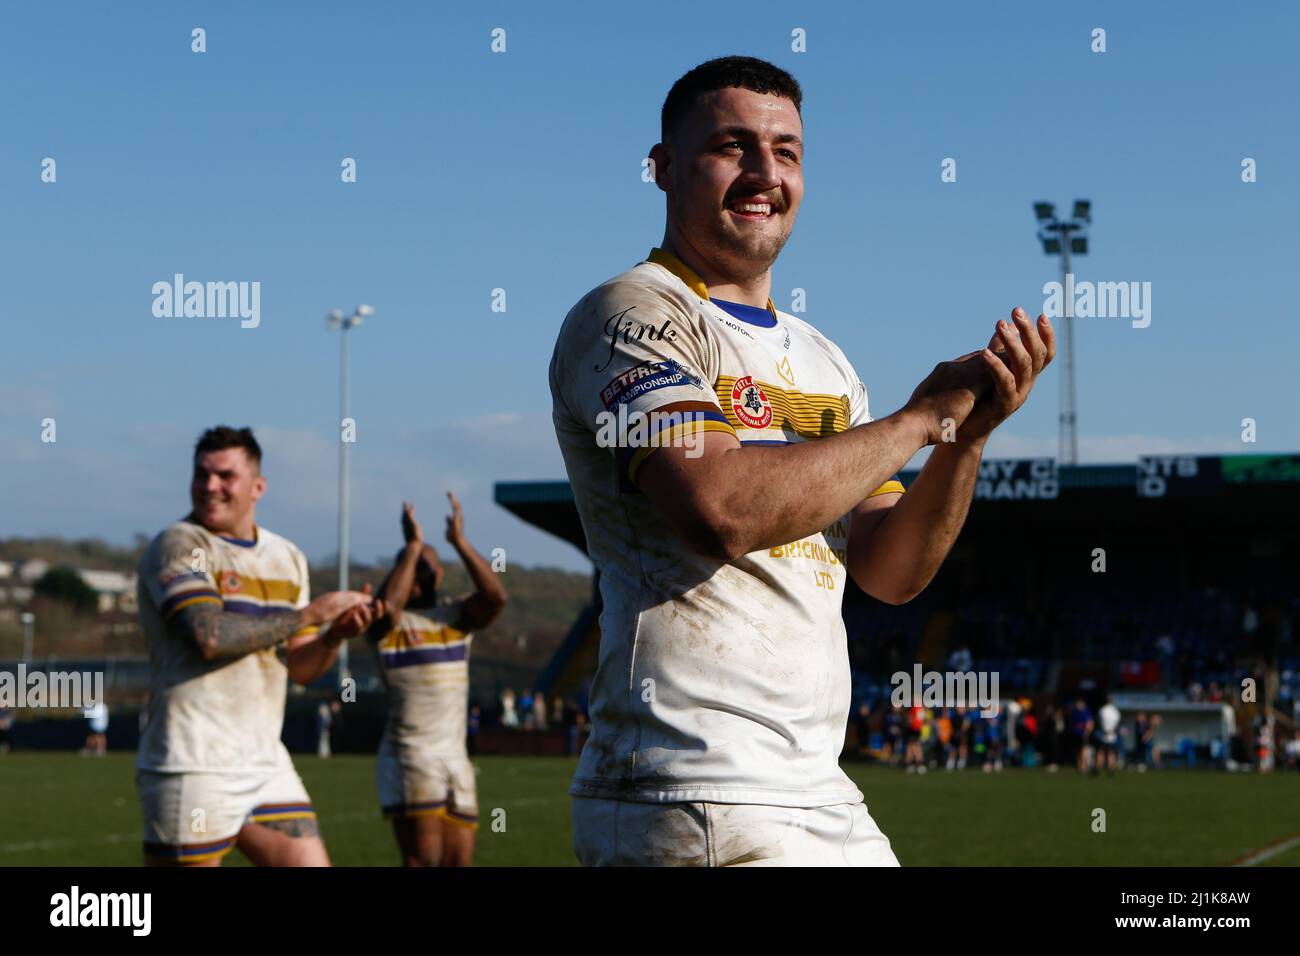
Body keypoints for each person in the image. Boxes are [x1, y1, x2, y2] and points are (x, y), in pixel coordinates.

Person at [549, 56, 1053, 867]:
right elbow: (721, 509)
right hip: (691, 785)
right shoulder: (631, 315)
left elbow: (888, 572)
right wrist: (920, 419)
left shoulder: (825, 361)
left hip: (816, 788)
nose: (765, 172)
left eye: (787, 151)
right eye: (733, 146)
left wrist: (964, 436)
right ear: (665, 167)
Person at [135, 426, 378, 866]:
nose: (210, 486)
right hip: (192, 762)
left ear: (258, 486)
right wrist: (310, 614)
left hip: (265, 761)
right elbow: (208, 637)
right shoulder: (180, 544)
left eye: (225, 476)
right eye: (201, 474)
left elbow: (300, 668)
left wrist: (336, 634)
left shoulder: (287, 557)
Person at [368, 496, 507, 867]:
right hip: (410, 754)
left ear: (441, 573)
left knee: (457, 863)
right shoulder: (388, 623)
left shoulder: (455, 617)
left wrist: (458, 542)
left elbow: (496, 597)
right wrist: (413, 548)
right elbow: (388, 610)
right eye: (411, 568)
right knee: (423, 861)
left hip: (455, 759)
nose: (420, 576)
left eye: (427, 569)